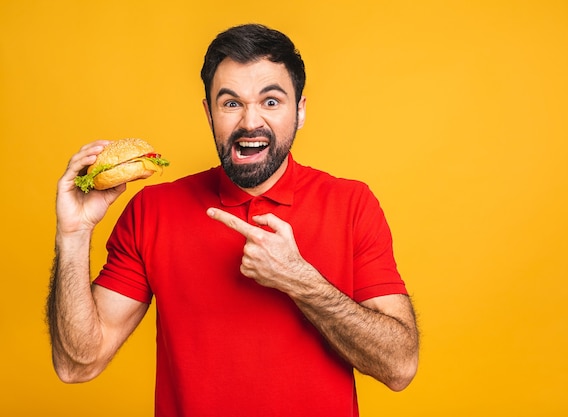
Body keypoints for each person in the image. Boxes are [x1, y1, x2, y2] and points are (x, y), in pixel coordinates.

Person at [47, 23, 419, 417]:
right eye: (231, 103)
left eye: (271, 102)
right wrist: (74, 233)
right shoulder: (152, 210)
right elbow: (76, 364)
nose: (249, 123)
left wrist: (302, 281)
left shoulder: (352, 204)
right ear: (209, 113)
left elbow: (399, 366)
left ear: (301, 110)